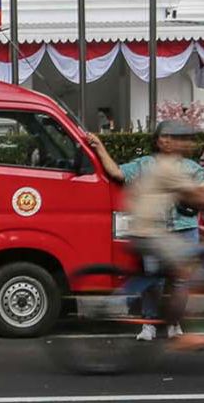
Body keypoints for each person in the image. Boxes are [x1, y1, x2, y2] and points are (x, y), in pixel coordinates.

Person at [87, 119, 204, 341]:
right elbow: (118, 173)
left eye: (174, 137)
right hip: (154, 231)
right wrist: (100, 147)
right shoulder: (148, 164)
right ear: (157, 141)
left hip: (184, 227)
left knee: (178, 279)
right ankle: (147, 321)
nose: (169, 141)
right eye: (164, 136)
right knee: (157, 279)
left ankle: (174, 323)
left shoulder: (192, 168)